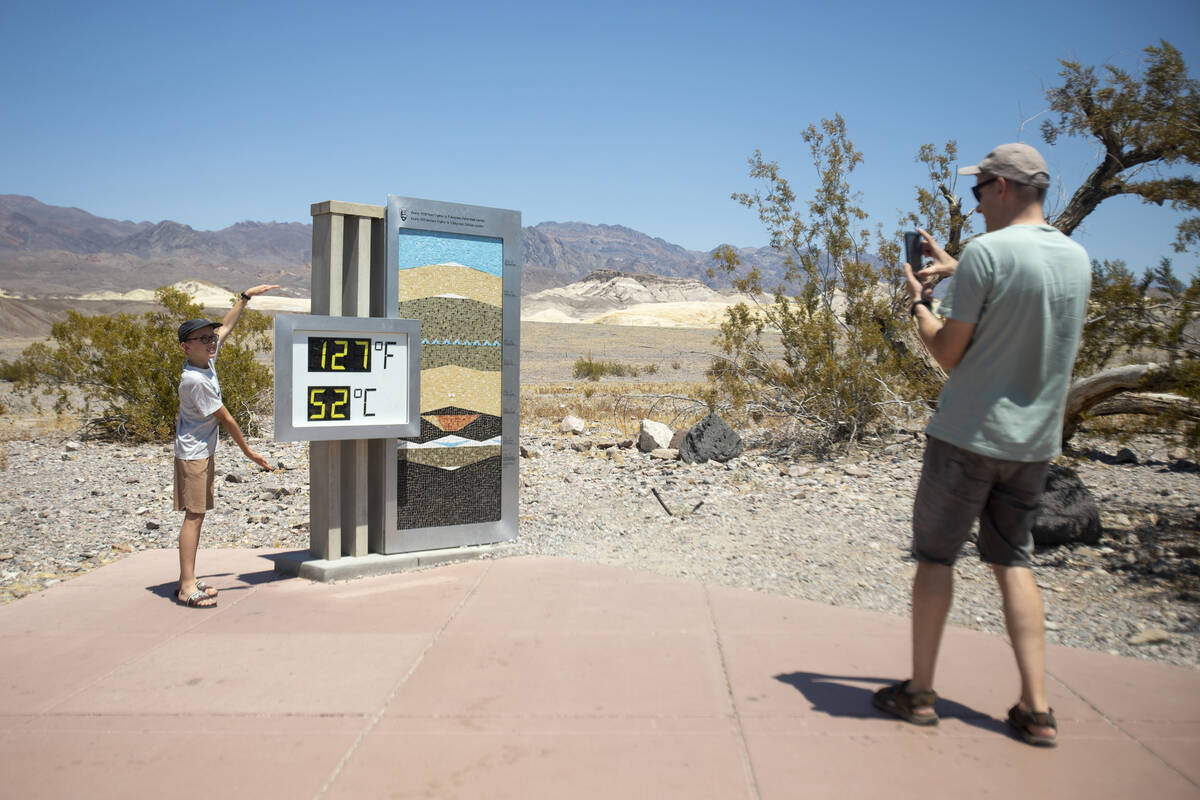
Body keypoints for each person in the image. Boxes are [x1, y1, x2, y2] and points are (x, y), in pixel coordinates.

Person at [872, 143, 1091, 747]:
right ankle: (1037, 707)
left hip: (967, 436)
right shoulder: (1076, 258)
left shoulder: (987, 255)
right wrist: (958, 266)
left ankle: (919, 693)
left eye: (977, 190)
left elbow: (947, 352)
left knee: (936, 559)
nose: (974, 202)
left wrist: (921, 302)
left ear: (1000, 187)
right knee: (1013, 562)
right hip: (1033, 445)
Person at [174, 284, 279, 608]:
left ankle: (188, 578)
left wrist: (245, 298)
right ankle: (186, 586)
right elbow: (227, 419)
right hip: (194, 455)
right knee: (194, 515)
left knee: (198, 514)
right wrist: (249, 452)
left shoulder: (205, 363)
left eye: (210, 338)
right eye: (203, 339)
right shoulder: (196, 380)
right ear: (185, 347)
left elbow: (227, 326)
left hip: (201, 451)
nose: (211, 343)